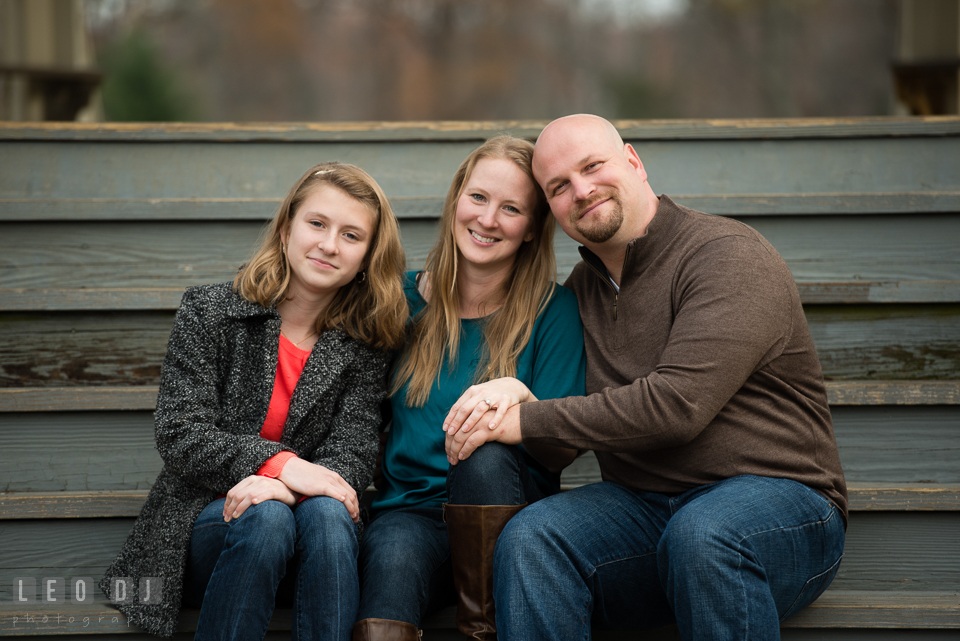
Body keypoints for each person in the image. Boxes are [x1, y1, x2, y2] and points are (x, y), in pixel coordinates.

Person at [444, 115, 848, 640]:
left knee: (704, 534)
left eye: (593, 167)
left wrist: (525, 418)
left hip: (782, 505)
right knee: (531, 538)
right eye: (559, 187)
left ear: (633, 162)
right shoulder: (582, 291)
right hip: (647, 512)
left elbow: (677, 407)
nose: (582, 191)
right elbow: (565, 436)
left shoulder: (726, 254)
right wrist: (520, 392)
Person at [100, 162, 408, 640]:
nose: (329, 245)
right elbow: (182, 433)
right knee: (265, 519)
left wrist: (283, 488)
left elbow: (351, 455)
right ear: (286, 229)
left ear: (368, 256)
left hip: (314, 543)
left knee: (324, 513)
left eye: (351, 235)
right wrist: (283, 466)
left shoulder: (365, 344)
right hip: (204, 532)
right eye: (317, 224)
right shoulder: (211, 312)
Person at [354, 136, 586, 640]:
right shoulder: (399, 302)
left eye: (511, 209)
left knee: (481, 452)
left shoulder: (555, 311)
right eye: (478, 197)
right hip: (410, 512)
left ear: (531, 229)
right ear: (457, 198)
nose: (487, 219)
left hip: (510, 520)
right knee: (391, 561)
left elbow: (562, 449)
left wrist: (520, 398)